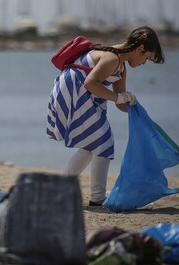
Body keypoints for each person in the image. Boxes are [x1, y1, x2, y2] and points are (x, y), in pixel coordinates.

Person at [46, 26, 164, 206]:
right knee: (104, 140)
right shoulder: (112, 58)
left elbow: (119, 103)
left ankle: (61, 188)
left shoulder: (121, 67)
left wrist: (133, 107)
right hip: (74, 92)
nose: (143, 63)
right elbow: (91, 83)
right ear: (140, 49)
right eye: (146, 58)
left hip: (79, 93)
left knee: (91, 145)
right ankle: (98, 197)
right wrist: (118, 97)